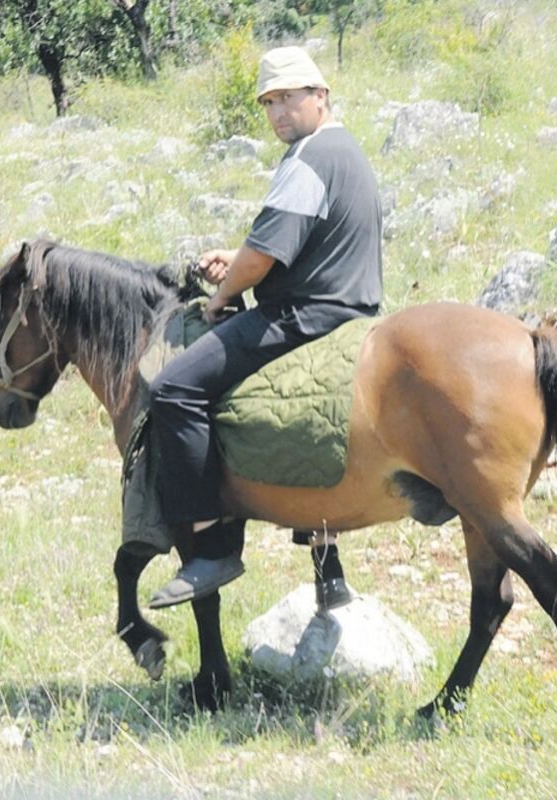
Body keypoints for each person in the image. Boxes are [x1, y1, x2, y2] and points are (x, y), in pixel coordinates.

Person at [148, 46, 384, 609]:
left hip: (302, 316)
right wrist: (239, 257)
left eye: (289, 98)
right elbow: (296, 244)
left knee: (172, 389)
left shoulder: (307, 159)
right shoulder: (345, 150)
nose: (279, 112)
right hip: (354, 311)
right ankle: (327, 564)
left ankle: (211, 548)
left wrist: (223, 294)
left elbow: (261, 259)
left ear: (320, 95)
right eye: (270, 102)